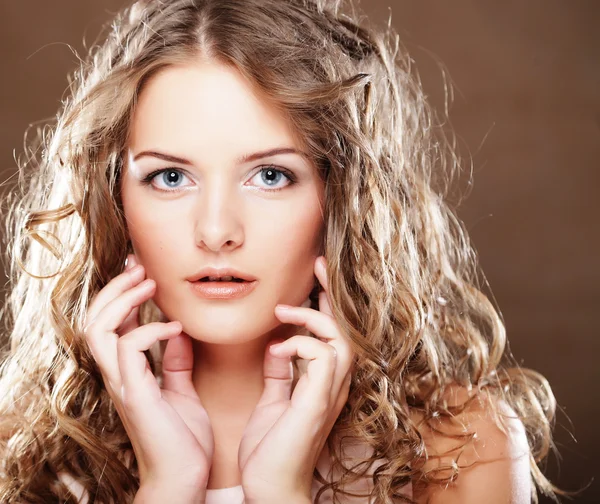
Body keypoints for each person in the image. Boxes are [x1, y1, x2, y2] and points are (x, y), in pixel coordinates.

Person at [0, 0, 562, 502]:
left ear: (341, 195)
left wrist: (281, 493)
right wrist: (168, 487)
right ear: (113, 199)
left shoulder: (461, 446)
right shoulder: (19, 451)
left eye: (269, 175)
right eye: (170, 177)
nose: (217, 231)